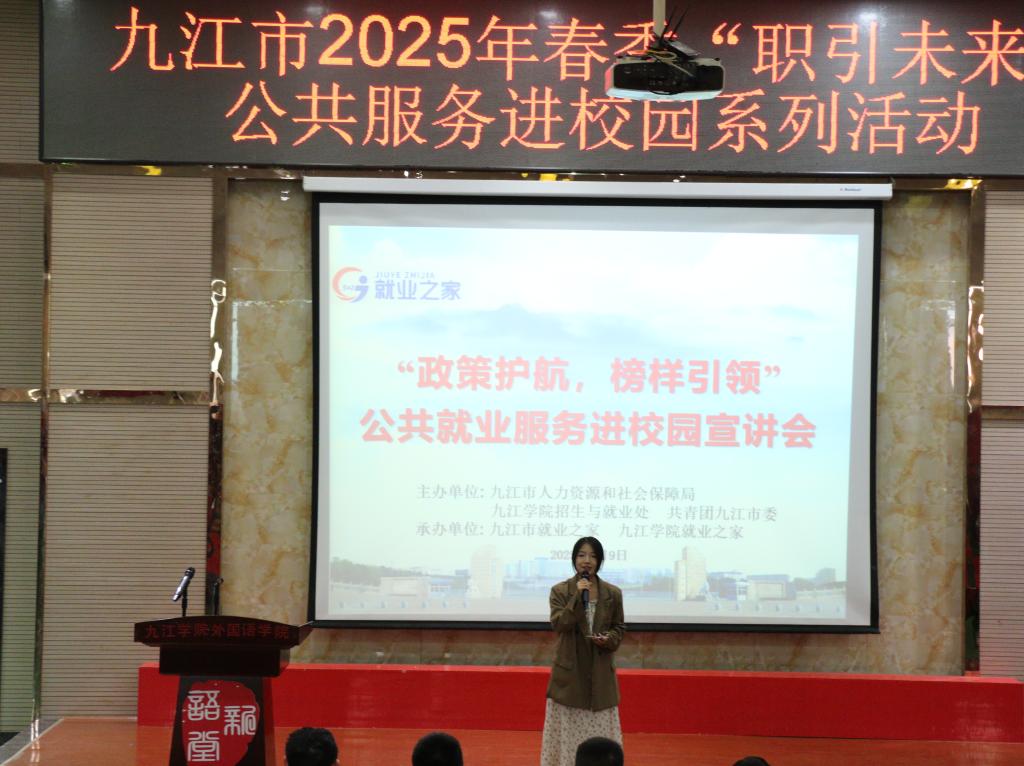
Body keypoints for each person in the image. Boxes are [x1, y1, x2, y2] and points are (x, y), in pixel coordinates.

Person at [540, 536, 626, 766]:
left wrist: (608, 639)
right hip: (570, 675)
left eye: (593, 556)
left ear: (600, 561)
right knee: (570, 740)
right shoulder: (560, 591)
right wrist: (578, 597)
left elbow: (619, 627)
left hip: (600, 674)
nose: (587, 560)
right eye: (581, 555)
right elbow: (560, 624)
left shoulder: (613, 593)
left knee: (600, 741)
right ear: (574, 559)